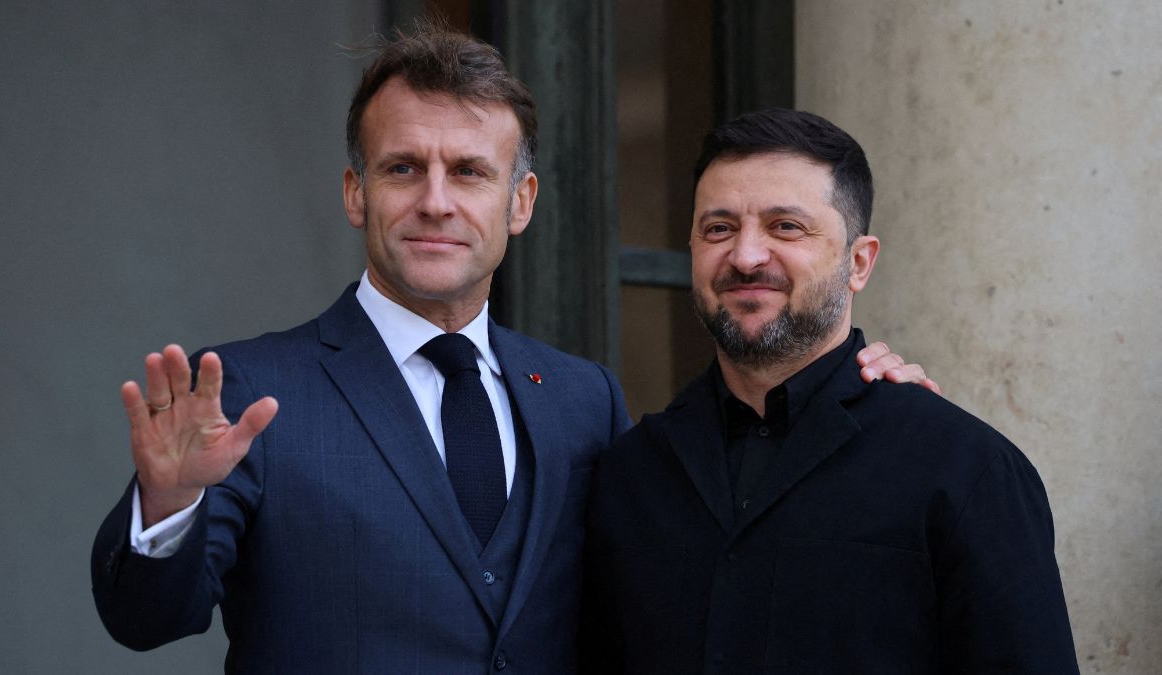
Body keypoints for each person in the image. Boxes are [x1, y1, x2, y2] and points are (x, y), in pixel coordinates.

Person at [91, 24, 926, 674]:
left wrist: (853, 397)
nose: (436, 201)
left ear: (519, 201)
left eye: (469, 171)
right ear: (356, 192)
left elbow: (702, 549)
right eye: (402, 168)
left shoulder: (581, 397)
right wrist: (166, 509)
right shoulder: (246, 390)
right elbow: (146, 619)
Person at [583, 109, 1079, 673]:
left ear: (859, 262)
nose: (745, 256)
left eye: (785, 226)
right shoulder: (631, 473)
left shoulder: (966, 469)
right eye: (718, 228)